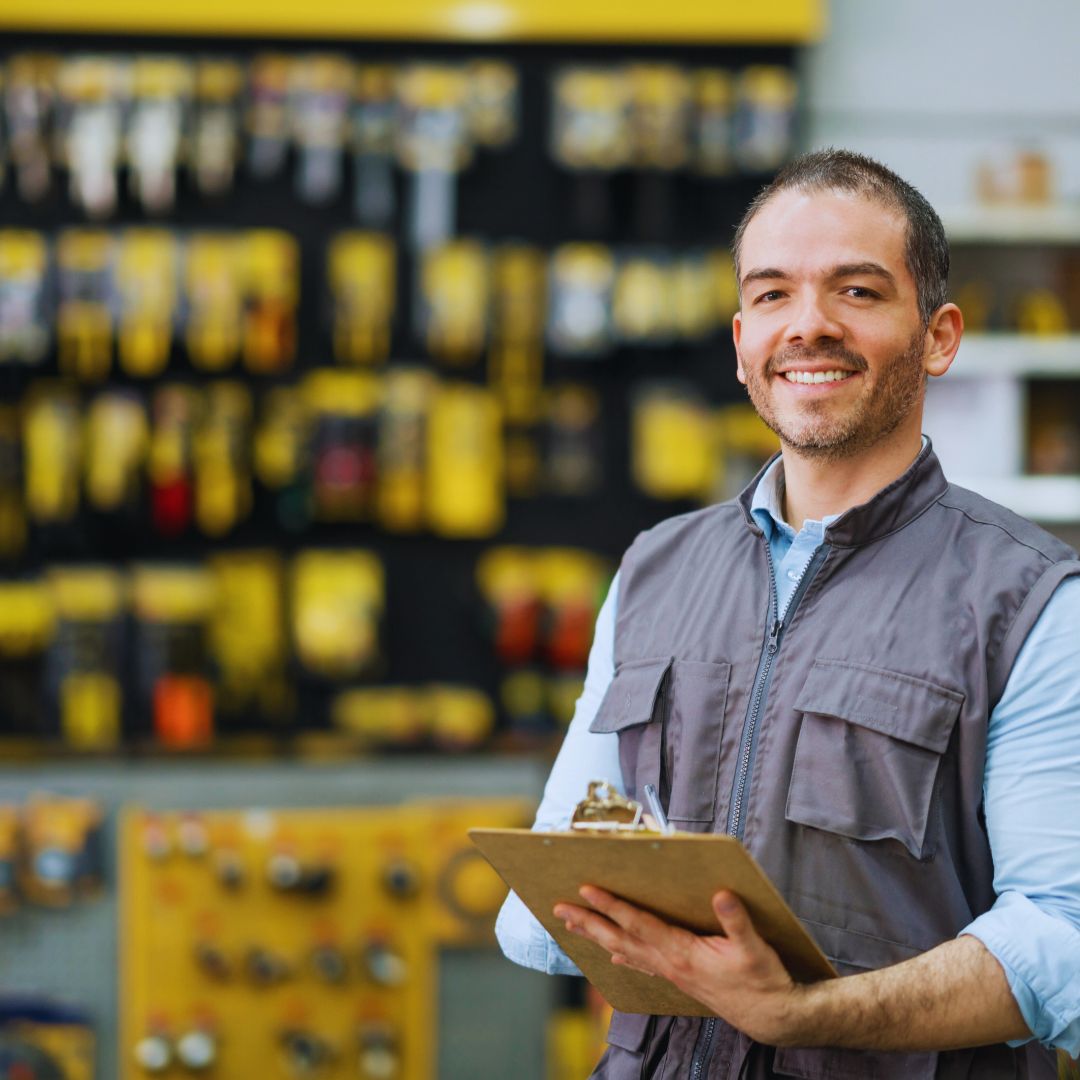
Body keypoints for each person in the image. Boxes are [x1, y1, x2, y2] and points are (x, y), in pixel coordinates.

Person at [495, 149, 1080, 1079]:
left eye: (856, 291)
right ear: (740, 344)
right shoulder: (654, 571)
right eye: (772, 295)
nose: (808, 326)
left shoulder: (1031, 603)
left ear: (938, 336)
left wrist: (801, 1012)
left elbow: (1065, 943)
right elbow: (536, 920)